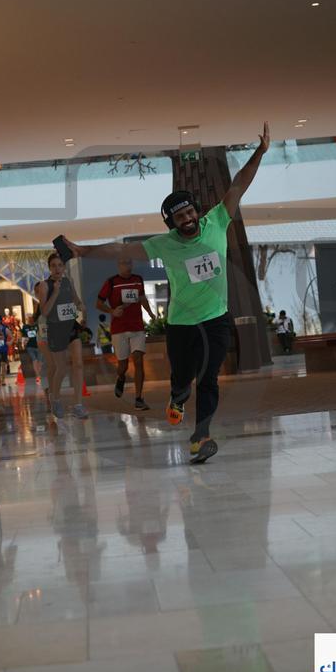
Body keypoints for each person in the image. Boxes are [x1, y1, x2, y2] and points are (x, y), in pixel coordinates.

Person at [60, 122, 270, 463]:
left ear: (196, 211)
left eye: (189, 212)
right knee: (182, 379)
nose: (186, 219)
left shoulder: (217, 221)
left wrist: (259, 152)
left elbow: (238, 185)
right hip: (181, 323)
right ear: (171, 223)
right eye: (179, 217)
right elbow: (120, 251)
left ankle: (201, 437)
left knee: (208, 379)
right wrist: (84, 251)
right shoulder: (164, 244)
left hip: (215, 320)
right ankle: (177, 397)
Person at [97, 258, 156, 410]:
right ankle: (121, 377)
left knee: (138, 360)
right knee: (122, 365)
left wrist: (150, 313)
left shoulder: (138, 280)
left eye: (129, 263)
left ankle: (139, 398)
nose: (127, 266)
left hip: (137, 327)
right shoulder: (111, 282)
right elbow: (98, 303)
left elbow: (142, 298)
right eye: (124, 263)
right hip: (119, 329)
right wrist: (112, 311)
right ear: (118, 265)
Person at [37, 252, 88, 419]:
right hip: (55, 329)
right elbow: (44, 312)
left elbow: (76, 300)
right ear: (49, 268)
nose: (57, 269)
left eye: (60, 265)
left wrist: (81, 307)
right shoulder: (45, 285)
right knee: (62, 368)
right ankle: (55, 398)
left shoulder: (68, 281)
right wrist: (55, 293)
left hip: (71, 326)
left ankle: (78, 404)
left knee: (78, 364)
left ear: (64, 267)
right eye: (53, 266)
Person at [21, 313, 41, 380]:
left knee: (39, 361)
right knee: (34, 360)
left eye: (31, 318)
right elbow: (23, 336)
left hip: (38, 345)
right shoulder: (25, 327)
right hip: (30, 346)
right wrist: (23, 344)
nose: (30, 319)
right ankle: (38, 375)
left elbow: (40, 334)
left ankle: (39, 373)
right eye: (28, 318)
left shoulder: (37, 326)